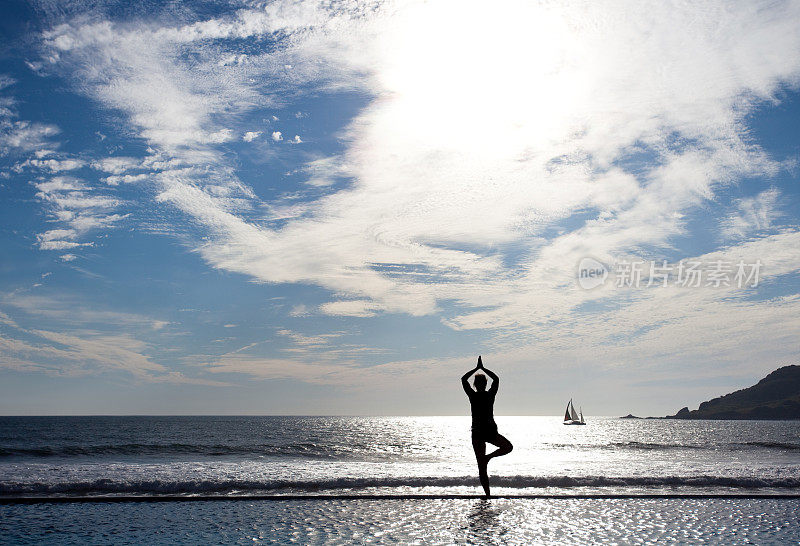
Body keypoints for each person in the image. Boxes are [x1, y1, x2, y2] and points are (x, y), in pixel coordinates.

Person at [461, 355, 513, 498]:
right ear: (483, 384)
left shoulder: (475, 395)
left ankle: (488, 494)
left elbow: (463, 379)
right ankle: (487, 495)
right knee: (505, 449)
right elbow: (496, 379)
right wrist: (482, 368)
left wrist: (477, 369)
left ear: (476, 385)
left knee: (483, 465)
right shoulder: (487, 395)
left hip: (482, 432)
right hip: (483, 432)